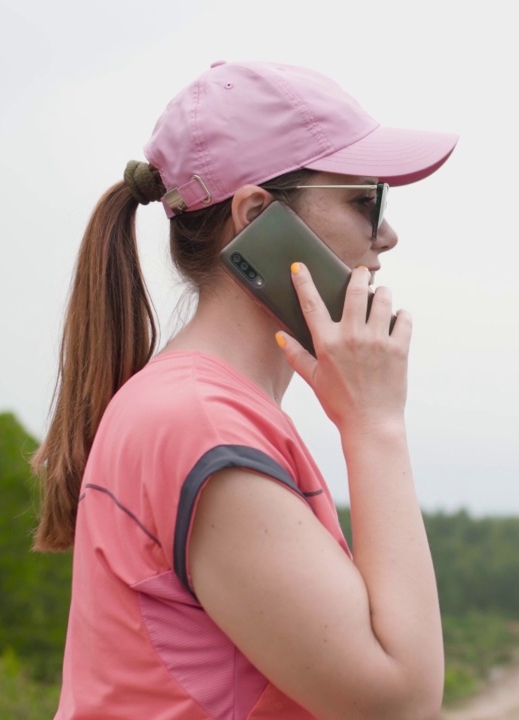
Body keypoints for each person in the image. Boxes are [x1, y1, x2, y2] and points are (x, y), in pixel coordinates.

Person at [32, 60, 457, 720]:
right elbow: (398, 705)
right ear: (257, 216)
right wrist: (376, 424)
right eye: (365, 202)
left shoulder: (190, 406)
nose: (387, 237)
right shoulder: (199, 423)